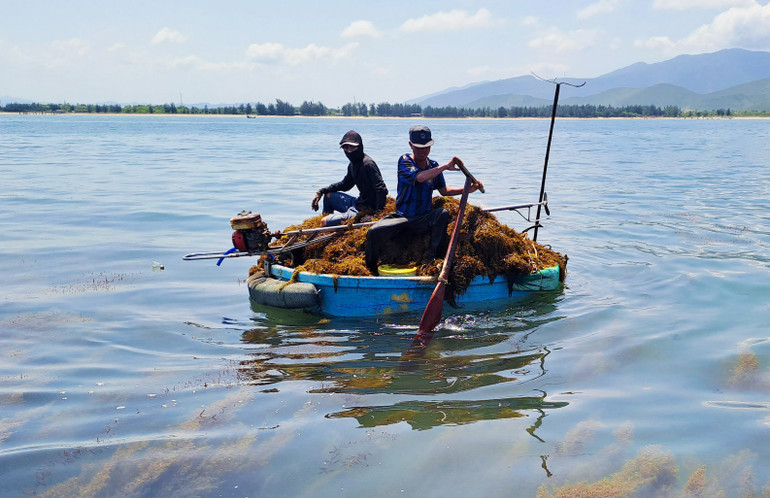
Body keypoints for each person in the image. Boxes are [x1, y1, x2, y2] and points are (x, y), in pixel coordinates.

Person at [364, 125, 483, 275]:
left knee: (443, 213)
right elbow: (419, 177)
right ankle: (371, 270)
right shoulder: (405, 161)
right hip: (403, 217)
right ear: (410, 145)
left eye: (426, 147)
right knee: (374, 231)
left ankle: (433, 258)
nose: (423, 151)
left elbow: (444, 191)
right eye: (418, 147)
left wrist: (468, 189)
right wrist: (446, 166)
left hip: (423, 218)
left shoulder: (433, 166)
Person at [311, 130, 388, 227]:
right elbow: (345, 185)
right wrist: (322, 191)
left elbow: (381, 189)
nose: (349, 151)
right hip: (358, 202)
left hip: (365, 208)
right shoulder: (353, 165)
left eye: (352, 147)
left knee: (324, 221)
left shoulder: (368, 164)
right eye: (346, 148)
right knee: (328, 196)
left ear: (359, 147)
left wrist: (376, 214)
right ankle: (328, 228)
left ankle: (326, 228)